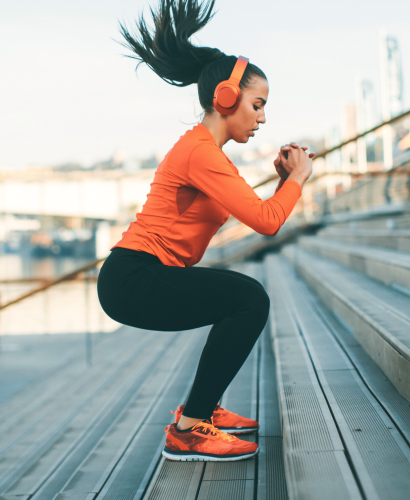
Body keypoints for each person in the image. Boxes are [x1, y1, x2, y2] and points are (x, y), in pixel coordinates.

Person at [97, 0, 314, 462]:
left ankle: (202, 412)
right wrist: (297, 180)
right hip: (134, 277)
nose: (262, 118)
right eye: (257, 105)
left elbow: (259, 210)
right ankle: (190, 427)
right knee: (248, 298)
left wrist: (282, 183)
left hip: (139, 275)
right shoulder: (201, 153)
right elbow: (269, 222)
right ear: (225, 98)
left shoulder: (207, 154)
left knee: (238, 298)